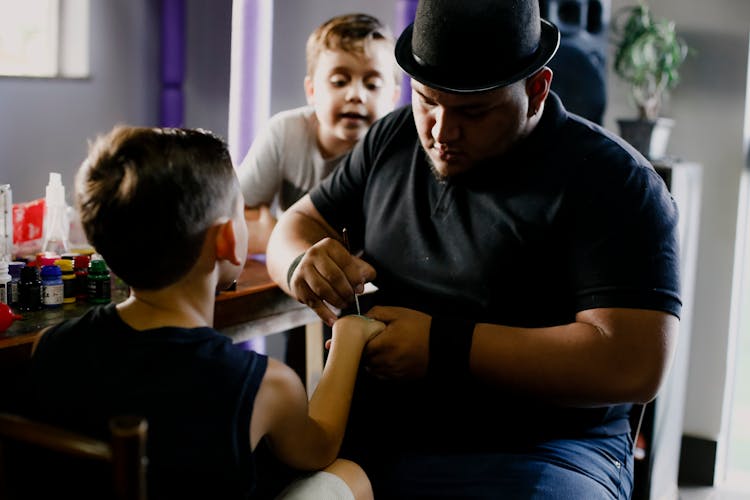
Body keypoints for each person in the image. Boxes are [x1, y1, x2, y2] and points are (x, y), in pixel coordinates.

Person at [265, 0, 682, 498]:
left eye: (474, 112)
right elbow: (299, 222)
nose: (441, 132)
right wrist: (299, 262)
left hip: (549, 451)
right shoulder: (393, 139)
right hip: (381, 440)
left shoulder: (616, 182)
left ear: (536, 90)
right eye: (427, 100)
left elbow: (634, 362)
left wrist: (444, 347)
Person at [21, 126, 385, 499]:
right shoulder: (265, 385)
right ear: (227, 239)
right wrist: (349, 337)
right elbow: (320, 447)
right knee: (350, 475)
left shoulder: (51, 346)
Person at [237, 13, 401, 254]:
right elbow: (238, 215)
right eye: (339, 81)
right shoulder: (284, 133)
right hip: (293, 273)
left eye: (372, 85)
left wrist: (275, 237)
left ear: (393, 98)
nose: (356, 95)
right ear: (311, 90)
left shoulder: (394, 151)